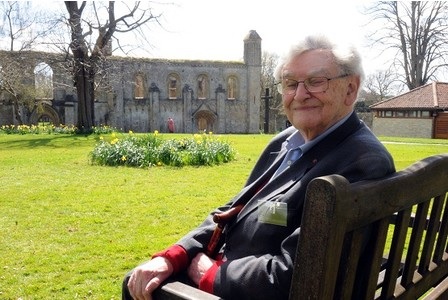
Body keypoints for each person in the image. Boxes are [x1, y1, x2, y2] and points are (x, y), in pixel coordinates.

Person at [122, 34, 395, 300]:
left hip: (246, 287)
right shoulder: (287, 141)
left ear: (350, 89)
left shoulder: (362, 162)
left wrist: (211, 275)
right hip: (237, 269)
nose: (300, 94)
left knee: (137, 288)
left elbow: (297, 274)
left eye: (316, 81)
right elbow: (234, 209)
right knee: (144, 275)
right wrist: (176, 255)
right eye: (290, 83)